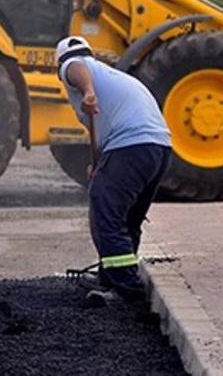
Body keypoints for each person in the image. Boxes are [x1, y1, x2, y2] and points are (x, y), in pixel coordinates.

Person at [55, 36, 172, 301]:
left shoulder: (74, 67)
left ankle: (126, 289)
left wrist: (87, 91)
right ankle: (113, 276)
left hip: (131, 144)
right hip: (158, 148)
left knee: (105, 209)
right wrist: (95, 164)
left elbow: (76, 67)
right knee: (128, 216)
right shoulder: (113, 76)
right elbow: (99, 131)